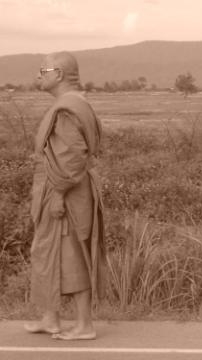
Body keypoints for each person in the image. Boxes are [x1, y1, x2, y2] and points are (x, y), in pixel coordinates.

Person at [24, 51, 105, 341]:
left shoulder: (68, 108)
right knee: (47, 251)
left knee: (71, 255)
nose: (38, 75)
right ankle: (51, 317)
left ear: (58, 74)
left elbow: (72, 158)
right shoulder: (70, 104)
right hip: (55, 189)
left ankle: (84, 325)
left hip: (65, 192)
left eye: (42, 70)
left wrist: (58, 194)